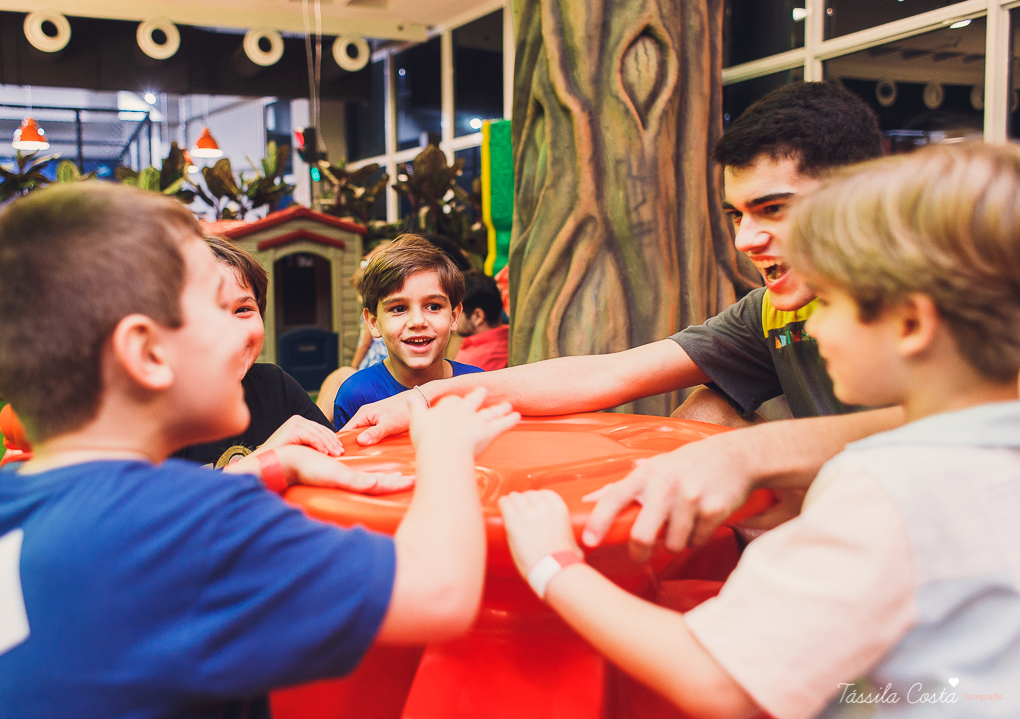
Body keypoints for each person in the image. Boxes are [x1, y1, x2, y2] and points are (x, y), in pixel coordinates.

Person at [0, 184, 519, 718]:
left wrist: (263, 467)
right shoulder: (192, 526)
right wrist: (443, 449)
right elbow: (438, 594)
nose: (247, 333)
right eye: (215, 310)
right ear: (147, 353)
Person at [497, 141, 1020, 719]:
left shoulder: (880, 487)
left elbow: (720, 681)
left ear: (912, 322)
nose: (812, 326)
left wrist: (553, 567)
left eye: (831, 302)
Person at [341, 82, 904, 559]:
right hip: (844, 538)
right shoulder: (771, 309)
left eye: (773, 209)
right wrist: (424, 398)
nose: (744, 240)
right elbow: (612, 373)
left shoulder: (939, 292)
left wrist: (744, 454)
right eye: (736, 214)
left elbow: (963, 420)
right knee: (712, 405)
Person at [174, 235, 340, 467]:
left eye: (243, 309)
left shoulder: (276, 386)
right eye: (208, 311)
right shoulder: (157, 414)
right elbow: (161, 502)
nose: (233, 331)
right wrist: (267, 457)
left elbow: (340, 458)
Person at [331, 234, 482, 429]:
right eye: (399, 308)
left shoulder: (478, 387)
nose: (418, 321)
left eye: (434, 306)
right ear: (374, 323)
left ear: (454, 317)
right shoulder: (357, 394)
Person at [454, 271, 509, 371]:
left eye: (457, 313)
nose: (451, 319)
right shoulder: (478, 343)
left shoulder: (487, 358)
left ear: (478, 316)